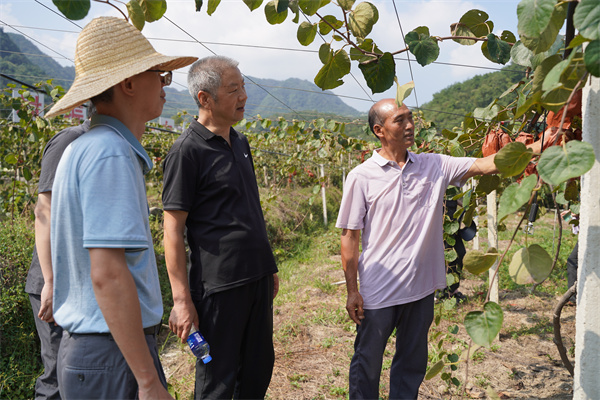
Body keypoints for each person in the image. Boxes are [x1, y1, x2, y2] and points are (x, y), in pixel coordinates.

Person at [336, 98, 541, 400]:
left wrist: (544, 143)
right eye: (399, 121)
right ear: (379, 130)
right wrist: (353, 290)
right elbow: (349, 237)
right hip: (378, 291)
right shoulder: (362, 176)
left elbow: (486, 164)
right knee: (367, 363)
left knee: (411, 365)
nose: (409, 125)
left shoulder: (434, 165)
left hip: (421, 290)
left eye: (410, 118)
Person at [44, 16, 196, 399]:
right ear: (128, 83)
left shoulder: (85, 147)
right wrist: (147, 380)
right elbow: (108, 273)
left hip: (97, 349)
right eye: (158, 74)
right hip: (109, 351)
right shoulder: (110, 153)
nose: (164, 85)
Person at [162, 55, 279, 399]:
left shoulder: (240, 143)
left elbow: (251, 209)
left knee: (258, 370)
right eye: (233, 89)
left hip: (256, 278)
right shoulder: (187, 151)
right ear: (205, 98)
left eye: (243, 86)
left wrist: (267, 265)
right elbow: (172, 230)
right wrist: (181, 300)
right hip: (220, 287)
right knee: (219, 380)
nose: (243, 95)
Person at [25, 103, 94, 399]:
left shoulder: (112, 144)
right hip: (54, 283)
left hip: (82, 282)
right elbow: (45, 211)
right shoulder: (70, 140)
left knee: (79, 374)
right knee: (56, 376)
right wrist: (51, 282)